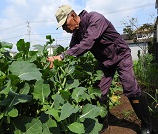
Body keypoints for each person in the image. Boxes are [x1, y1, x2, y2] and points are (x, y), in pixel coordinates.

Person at [47, 4, 152, 134]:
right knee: (98, 92)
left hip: (120, 55)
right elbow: (71, 53)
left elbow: (87, 43)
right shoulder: (76, 34)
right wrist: (56, 63)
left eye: (64, 24)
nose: (64, 28)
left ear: (73, 15)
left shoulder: (95, 19)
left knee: (130, 87)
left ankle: (146, 124)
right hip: (105, 62)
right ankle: (103, 125)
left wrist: (61, 56)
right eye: (61, 26)